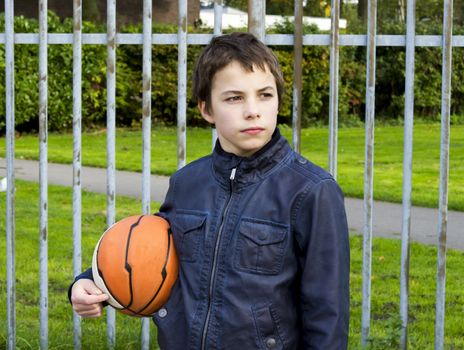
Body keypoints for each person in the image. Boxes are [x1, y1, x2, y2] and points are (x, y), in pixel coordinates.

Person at [69, 32, 350, 349]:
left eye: (265, 95)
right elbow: (146, 253)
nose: (253, 110)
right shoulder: (187, 183)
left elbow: (327, 311)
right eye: (234, 98)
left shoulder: (312, 191)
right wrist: (87, 283)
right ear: (206, 110)